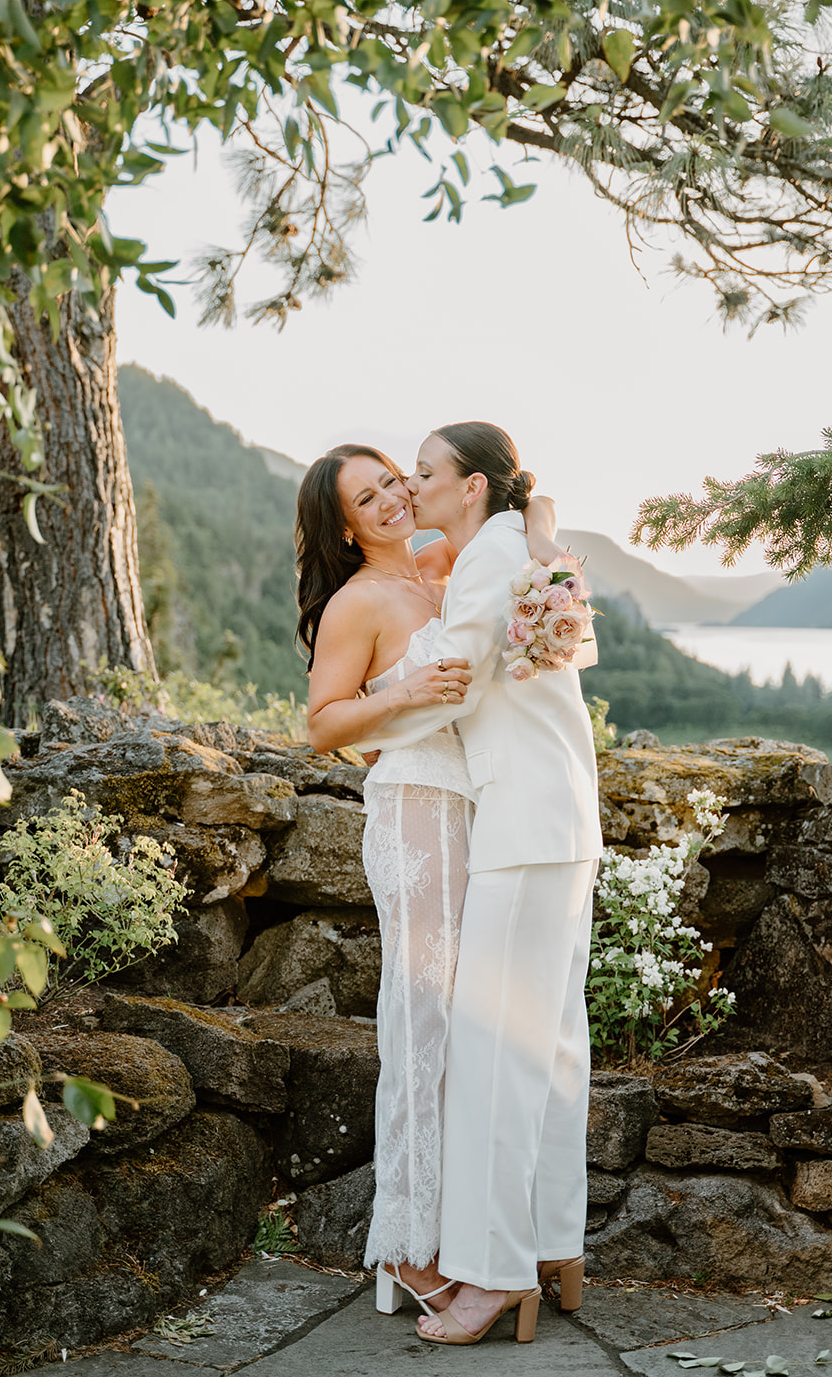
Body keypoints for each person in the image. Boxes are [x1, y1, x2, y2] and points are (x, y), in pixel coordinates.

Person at [297, 444, 562, 1323]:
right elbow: (324, 727)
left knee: (465, 1030)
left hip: (476, 805)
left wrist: (542, 526)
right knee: (420, 1021)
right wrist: (400, 690)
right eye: (364, 497)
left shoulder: (438, 574)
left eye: (391, 483)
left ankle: (454, 1232)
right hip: (414, 807)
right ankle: (409, 1250)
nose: (387, 501)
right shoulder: (358, 600)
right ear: (342, 523)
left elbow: (512, 612)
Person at [360, 422, 602, 1349]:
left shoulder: (480, 561)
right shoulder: (516, 547)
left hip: (515, 826)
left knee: (495, 1052)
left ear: (470, 489)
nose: (411, 489)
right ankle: (554, 1252)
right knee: (554, 1045)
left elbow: (454, 687)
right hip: (562, 821)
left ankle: (495, 1275)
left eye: (424, 474)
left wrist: (373, 704)